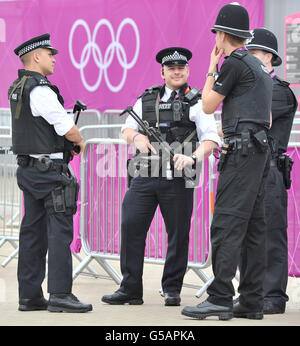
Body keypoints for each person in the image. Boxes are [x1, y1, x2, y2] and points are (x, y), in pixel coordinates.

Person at [101, 47, 220, 306]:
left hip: (177, 178)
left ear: (187, 71)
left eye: (181, 68)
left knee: (178, 233)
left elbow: (211, 139)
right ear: (163, 72)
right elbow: (126, 129)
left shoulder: (198, 102)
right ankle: (130, 288)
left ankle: (172, 289)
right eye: (171, 69)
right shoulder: (146, 99)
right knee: (131, 226)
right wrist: (138, 137)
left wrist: (192, 157)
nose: (176, 72)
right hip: (144, 175)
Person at [182, 3, 273, 320]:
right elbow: (268, 119)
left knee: (226, 222)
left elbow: (207, 106)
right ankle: (251, 300)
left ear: (221, 34)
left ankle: (220, 296)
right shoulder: (260, 67)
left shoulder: (233, 63)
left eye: (216, 35)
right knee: (253, 227)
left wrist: (211, 65)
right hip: (260, 151)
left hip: (243, 153)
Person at [8, 33, 92, 313]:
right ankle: (60, 294)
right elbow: (68, 129)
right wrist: (78, 142)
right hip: (50, 174)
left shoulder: (17, 87)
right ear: (36, 57)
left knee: (32, 232)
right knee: (59, 232)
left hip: (29, 171)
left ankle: (29, 296)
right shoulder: (41, 89)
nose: (54, 58)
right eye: (49, 53)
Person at [245, 28, 298, 314]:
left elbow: (254, 120)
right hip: (246, 168)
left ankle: (273, 296)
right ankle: (252, 292)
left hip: (268, 168)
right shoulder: (246, 89)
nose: (249, 61)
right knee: (246, 233)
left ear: (269, 58)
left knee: (270, 233)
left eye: (254, 55)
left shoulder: (279, 92)